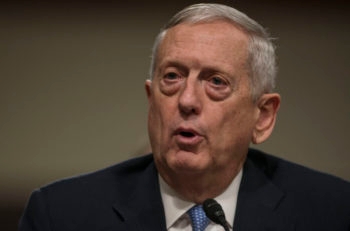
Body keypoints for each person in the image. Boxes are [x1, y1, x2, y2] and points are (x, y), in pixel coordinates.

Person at [19, 3, 350, 231]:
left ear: (262, 116)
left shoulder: (333, 212)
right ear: (152, 101)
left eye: (216, 82)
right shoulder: (61, 215)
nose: (187, 100)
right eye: (173, 77)